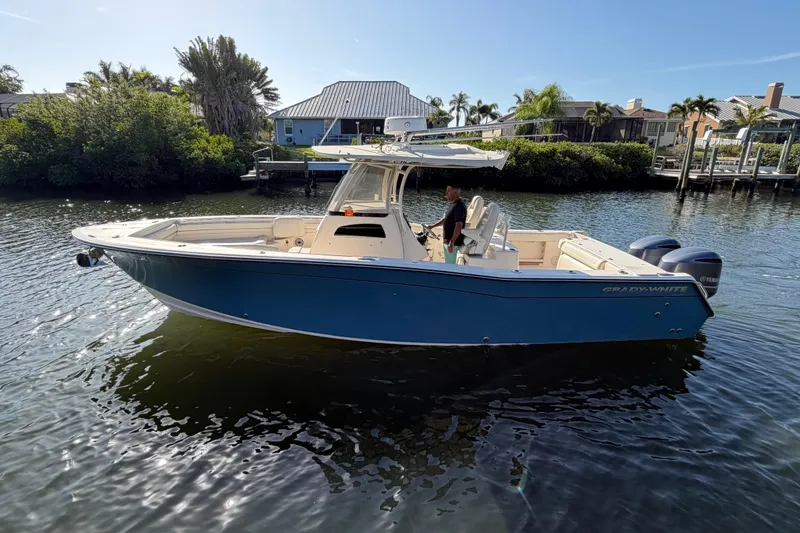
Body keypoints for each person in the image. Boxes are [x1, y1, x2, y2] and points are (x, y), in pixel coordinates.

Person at [429, 184, 467, 264]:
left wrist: (452, 242)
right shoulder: (453, 205)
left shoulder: (459, 206)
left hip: (452, 243)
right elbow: (446, 219)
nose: (446, 193)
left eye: (448, 191)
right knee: (447, 264)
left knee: (450, 267)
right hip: (448, 241)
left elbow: (459, 225)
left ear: (456, 192)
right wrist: (433, 226)